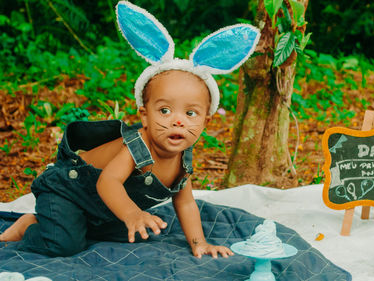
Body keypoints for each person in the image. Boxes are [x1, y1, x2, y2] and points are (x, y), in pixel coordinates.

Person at [0, 1, 260, 257]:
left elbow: (186, 202)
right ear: (144, 116)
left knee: (141, 231)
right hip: (68, 192)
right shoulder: (138, 144)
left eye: (190, 113)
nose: (177, 121)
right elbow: (108, 181)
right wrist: (131, 213)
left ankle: (81, 225)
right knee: (64, 244)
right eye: (165, 111)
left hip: (102, 211)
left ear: (207, 121)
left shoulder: (182, 159)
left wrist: (198, 243)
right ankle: (30, 227)